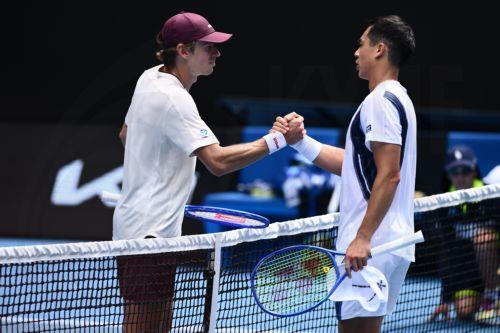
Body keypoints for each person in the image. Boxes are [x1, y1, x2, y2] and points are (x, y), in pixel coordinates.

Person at [113, 12, 304, 332]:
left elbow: (125, 134)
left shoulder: (149, 77)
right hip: (149, 234)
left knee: (159, 325)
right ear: (184, 50)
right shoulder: (175, 99)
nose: (217, 53)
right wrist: (277, 141)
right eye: (208, 47)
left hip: (147, 226)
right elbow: (217, 162)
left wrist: (157, 177)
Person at [273, 15, 416, 333]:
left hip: (371, 243)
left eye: (361, 44)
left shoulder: (381, 101)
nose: (356, 52)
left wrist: (362, 238)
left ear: (379, 49)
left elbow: (390, 175)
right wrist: (300, 143)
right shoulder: (398, 98)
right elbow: (354, 165)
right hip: (386, 240)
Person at [430, 145, 498, 323]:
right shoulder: (442, 205)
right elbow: (446, 252)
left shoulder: (491, 196)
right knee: (464, 311)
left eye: (465, 170)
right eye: (455, 171)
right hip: (469, 270)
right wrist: (445, 299)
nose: (460, 177)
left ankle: (492, 297)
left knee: (483, 239)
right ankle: (484, 298)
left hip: (495, 261)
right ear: (448, 174)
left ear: (474, 171)